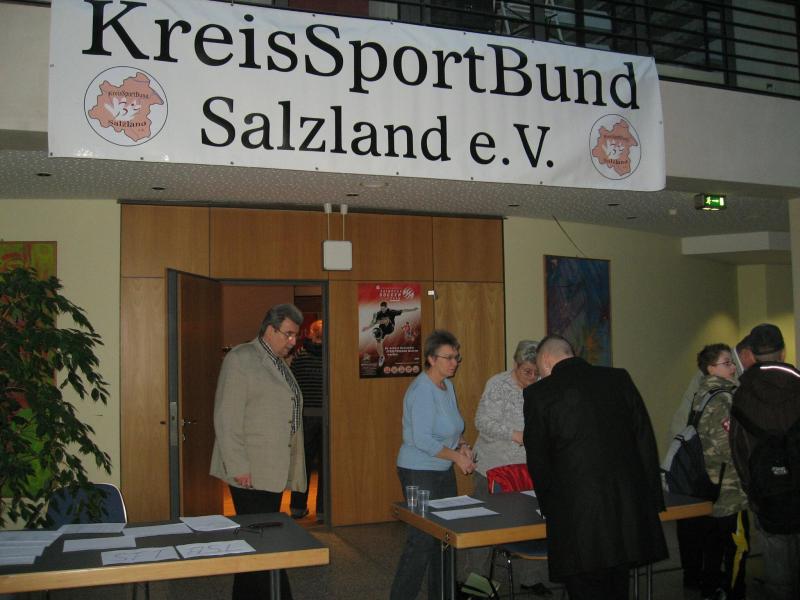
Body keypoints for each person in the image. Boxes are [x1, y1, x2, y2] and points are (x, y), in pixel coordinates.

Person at [523, 335, 667, 600]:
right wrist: (651, 500)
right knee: (618, 587)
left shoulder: (539, 394)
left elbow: (539, 460)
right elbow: (644, 441)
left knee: (585, 588)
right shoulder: (618, 379)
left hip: (576, 518)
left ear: (546, 360)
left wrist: (548, 507)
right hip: (624, 510)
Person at [210, 303, 306, 600]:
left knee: (257, 540)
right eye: (288, 334)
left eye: (295, 335)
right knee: (263, 540)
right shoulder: (241, 359)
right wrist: (238, 466)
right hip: (250, 470)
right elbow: (226, 418)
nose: (293, 341)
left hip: (270, 468)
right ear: (270, 329)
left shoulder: (279, 362)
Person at [389, 330, 476, 600]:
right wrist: (457, 457)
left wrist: (463, 445)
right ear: (431, 359)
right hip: (418, 471)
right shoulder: (421, 390)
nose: (454, 363)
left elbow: (453, 428)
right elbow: (423, 440)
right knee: (422, 539)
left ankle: (441, 595)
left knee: (444, 536)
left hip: (441, 468)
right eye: (448, 358)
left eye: (457, 357)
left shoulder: (447, 386)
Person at [730, 323, 800, 600]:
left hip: (766, 490)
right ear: (783, 352)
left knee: (776, 558)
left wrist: (751, 489)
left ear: (753, 354)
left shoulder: (743, 393)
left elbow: (738, 448)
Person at [693, 344, 749, 600]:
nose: (733, 367)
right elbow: (729, 446)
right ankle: (735, 592)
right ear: (711, 368)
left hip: (710, 482)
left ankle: (710, 590)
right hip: (730, 487)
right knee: (737, 545)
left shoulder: (702, 395)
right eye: (726, 363)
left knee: (713, 544)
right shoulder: (724, 398)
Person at [473, 339, 538, 499]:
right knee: (494, 514)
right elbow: (482, 422)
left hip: (526, 470)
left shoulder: (541, 386)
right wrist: (514, 435)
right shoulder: (498, 385)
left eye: (536, 372)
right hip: (495, 469)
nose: (532, 377)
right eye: (527, 371)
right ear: (516, 365)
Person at [289, 319, 324, 521]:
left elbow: (292, 386)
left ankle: (297, 507)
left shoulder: (299, 356)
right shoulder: (331, 356)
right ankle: (323, 511)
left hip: (305, 416)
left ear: (311, 333)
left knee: (302, 464)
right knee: (326, 466)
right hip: (327, 417)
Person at [361, 301, 419, 368]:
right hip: (382, 330)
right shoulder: (379, 313)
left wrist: (413, 309)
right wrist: (367, 327)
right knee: (378, 342)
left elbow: (403, 310)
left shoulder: (391, 312)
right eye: (381, 308)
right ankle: (381, 357)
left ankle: (377, 322)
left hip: (390, 328)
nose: (382, 310)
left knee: (387, 319)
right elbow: (372, 323)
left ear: (386, 307)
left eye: (384, 308)